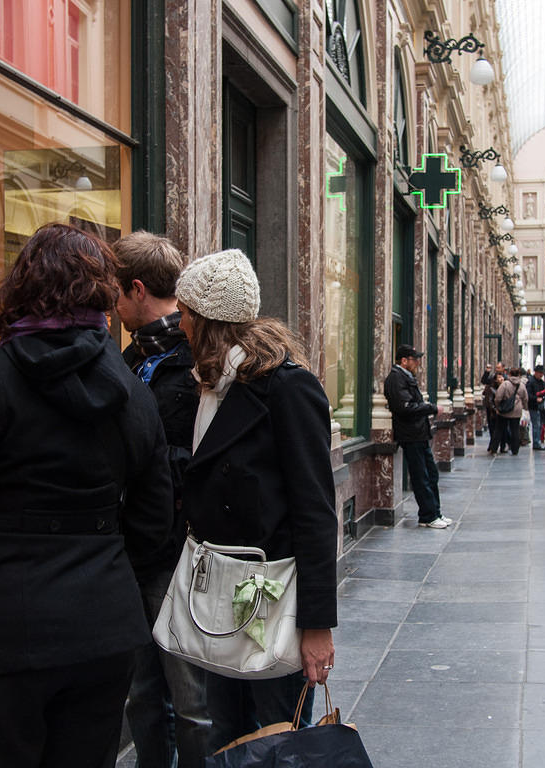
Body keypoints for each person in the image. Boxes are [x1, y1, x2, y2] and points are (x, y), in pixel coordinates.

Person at [0, 223, 175, 768]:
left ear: (22, 289)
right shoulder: (131, 390)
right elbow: (154, 517)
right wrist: (107, 571)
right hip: (100, 632)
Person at [174, 249, 338, 751]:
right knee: (222, 741)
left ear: (206, 322)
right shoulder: (205, 388)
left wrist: (316, 626)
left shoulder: (287, 389)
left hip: (273, 603)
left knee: (274, 741)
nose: (177, 323)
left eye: (183, 313)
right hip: (214, 597)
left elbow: (316, 513)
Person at [113, 231, 211, 768]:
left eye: (116, 293)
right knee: (142, 692)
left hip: (182, 552)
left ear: (136, 289)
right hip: (133, 547)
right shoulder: (128, 360)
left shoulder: (197, 354)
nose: (112, 306)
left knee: (192, 697)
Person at [384, 344, 451, 529]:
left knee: (431, 474)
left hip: (419, 433)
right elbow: (404, 408)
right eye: (415, 360)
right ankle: (428, 516)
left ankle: (434, 513)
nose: (418, 363)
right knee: (421, 476)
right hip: (411, 435)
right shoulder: (396, 379)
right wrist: (431, 408)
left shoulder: (406, 377)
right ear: (404, 360)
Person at [494, 367, 528, 456]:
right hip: (517, 411)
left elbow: (498, 397)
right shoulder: (522, 385)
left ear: (509, 374)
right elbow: (525, 398)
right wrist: (524, 407)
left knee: (499, 429)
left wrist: (498, 407)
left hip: (505, 410)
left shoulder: (505, 384)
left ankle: (494, 448)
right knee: (515, 430)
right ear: (519, 375)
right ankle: (515, 449)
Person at [526, 365, 545, 450]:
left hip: (540, 406)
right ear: (536, 372)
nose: (541, 375)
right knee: (536, 425)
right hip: (533, 406)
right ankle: (536, 442)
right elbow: (528, 395)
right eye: (540, 373)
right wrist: (536, 398)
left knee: (539, 425)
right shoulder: (531, 382)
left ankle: (537, 441)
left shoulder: (541, 382)